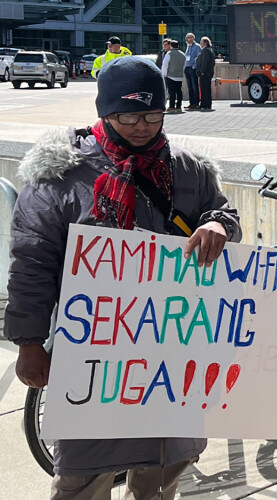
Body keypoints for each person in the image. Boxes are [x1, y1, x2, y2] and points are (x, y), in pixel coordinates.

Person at [6, 56, 242, 500]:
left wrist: (218, 225)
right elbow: (31, 266)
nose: (142, 126)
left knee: (166, 463)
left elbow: (223, 212)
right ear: (104, 112)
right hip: (94, 351)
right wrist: (29, 343)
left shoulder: (187, 168)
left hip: (172, 348)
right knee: (86, 473)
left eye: (154, 114)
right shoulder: (62, 175)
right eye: (128, 115)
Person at [162, 39, 186, 112]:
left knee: (171, 92)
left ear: (171, 46)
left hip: (170, 76)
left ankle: (172, 106)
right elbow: (184, 65)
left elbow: (165, 65)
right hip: (179, 76)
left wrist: (164, 74)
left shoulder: (169, 54)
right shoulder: (182, 54)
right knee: (179, 91)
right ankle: (179, 106)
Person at [195, 36, 216, 111]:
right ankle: (205, 104)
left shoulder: (206, 51)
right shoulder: (207, 50)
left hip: (205, 74)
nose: (200, 43)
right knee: (205, 89)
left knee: (205, 89)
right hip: (207, 73)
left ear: (205, 43)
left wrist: (202, 72)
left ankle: (205, 104)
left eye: (201, 41)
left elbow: (205, 62)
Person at [183, 33, 202, 110]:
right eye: (187, 38)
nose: (188, 39)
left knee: (195, 86)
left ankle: (196, 103)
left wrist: (194, 66)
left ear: (193, 38)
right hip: (187, 68)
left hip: (192, 68)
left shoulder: (197, 47)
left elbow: (198, 57)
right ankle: (191, 103)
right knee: (189, 86)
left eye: (189, 38)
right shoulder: (188, 46)